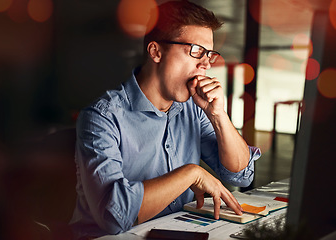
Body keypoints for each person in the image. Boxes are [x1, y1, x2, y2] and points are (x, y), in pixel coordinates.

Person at [69, 0, 261, 238]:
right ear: (156, 51)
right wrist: (192, 173)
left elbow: (241, 174)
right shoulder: (102, 117)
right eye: (196, 51)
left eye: (209, 54)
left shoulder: (194, 108)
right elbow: (113, 216)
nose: (205, 64)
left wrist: (218, 115)